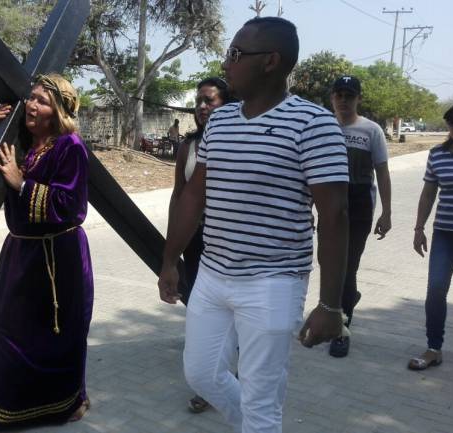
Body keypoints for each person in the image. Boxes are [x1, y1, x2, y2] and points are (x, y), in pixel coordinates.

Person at [158, 17, 349, 433]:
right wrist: (170, 260)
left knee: (262, 399)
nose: (226, 64)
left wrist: (331, 305)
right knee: (201, 375)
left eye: (235, 55)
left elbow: (334, 218)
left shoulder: (314, 125)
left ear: (270, 62)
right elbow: (193, 195)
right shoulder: (221, 122)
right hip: (211, 274)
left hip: (273, 282)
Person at [0, 74, 93, 433]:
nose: (32, 105)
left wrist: (22, 183)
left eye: (42, 101)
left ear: (59, 111)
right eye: (31, 98)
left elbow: (73, 206)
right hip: (20, 252)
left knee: (60, 333)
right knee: (6, 330)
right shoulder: (18, 140)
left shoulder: (70, 147)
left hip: (59, 256)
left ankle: (68, 402)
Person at [166, 78, 234, 413]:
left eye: (210, 100)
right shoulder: (188, 146)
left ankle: (221, 378)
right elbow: (178, 196)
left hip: (229, 240)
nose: (202, 107)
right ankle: (211, 378)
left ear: (227, 103)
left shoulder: (241, 138)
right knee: (200, 307)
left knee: (230, 312)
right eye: (199, 101)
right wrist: (171, 246)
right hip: (195, 239)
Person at [328, 75, 392, 357]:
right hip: (330, 204)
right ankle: (344, 301)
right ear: (332, 98)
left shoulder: (371, 130)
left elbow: (383, 172)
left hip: (359, 205)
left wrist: (387, 212)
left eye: (349, 95)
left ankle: (342, 329)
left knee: (347, 266)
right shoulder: (323, 126)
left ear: (358, 99)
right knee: (329, 263)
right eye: (339, 94)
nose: (343, 99)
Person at [407, 102, 453, 371]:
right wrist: (418, 229)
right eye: (452, 122)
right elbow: (428, 194)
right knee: (436, 289)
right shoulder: (437, 155)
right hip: (445, 235)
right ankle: (433, 348)